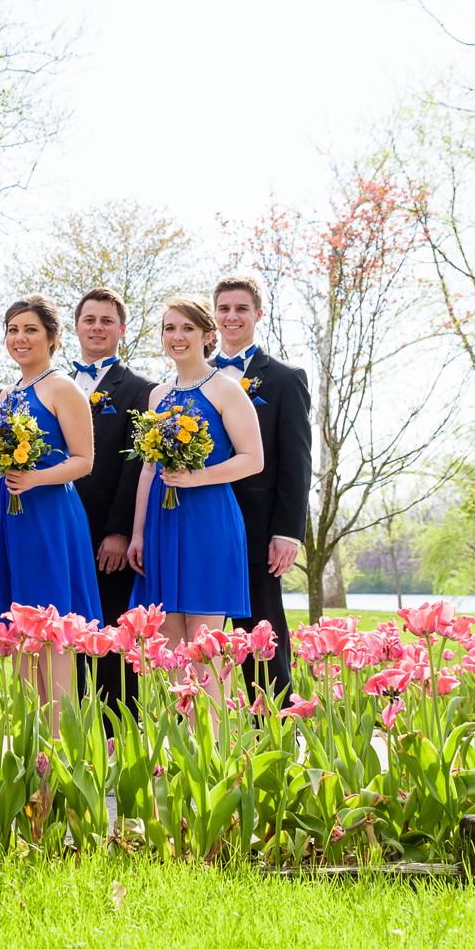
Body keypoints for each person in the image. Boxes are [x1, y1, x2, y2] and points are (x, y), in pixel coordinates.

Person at [129, 296, 262, 712]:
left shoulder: (225, 388)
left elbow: (252, 459)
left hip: (209, 522)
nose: (177, 336)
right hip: (162, 524)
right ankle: (178, 761)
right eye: (169, 328)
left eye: (187, 328)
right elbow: (148, 470)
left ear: (208, 335)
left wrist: (197, 477)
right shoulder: (158, 396)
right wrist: (137, 534)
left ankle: (212, 759)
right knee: (168, 652)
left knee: (205, 651)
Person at [0, 296, 100, 721]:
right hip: (9, 522)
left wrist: (35, 479)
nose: (20, 338)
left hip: (49, 520)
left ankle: (61, 753)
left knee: (52, 630)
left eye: (30, 329)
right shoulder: (8, 394)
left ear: (51, 337)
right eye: (12, 329)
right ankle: (33, 756)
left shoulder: (62, 387)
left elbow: (83, 460)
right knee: (22, 637)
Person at [212, 274, 312, 696]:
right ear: (213, 315)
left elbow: (296, 460)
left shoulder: (286, 378)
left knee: (263, 641)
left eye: (240, 309)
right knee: (205, 643)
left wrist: (287, 531)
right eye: (223, 309)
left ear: (258, 314)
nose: (231, 317)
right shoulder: (192, 377)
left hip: (257, 533)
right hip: (202, 525)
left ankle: (276, 741)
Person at [65, 288, 155, 714]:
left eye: (106, 320)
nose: (97, 327)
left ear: (121, 329)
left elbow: (135, 466)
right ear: (76, 327)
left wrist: (120, 531)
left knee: (112, 646)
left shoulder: (140, 390)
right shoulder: (56, 385)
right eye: (89, 319)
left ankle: (117, 743)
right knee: (65, 642)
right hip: (58, 531)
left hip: (106, 538)